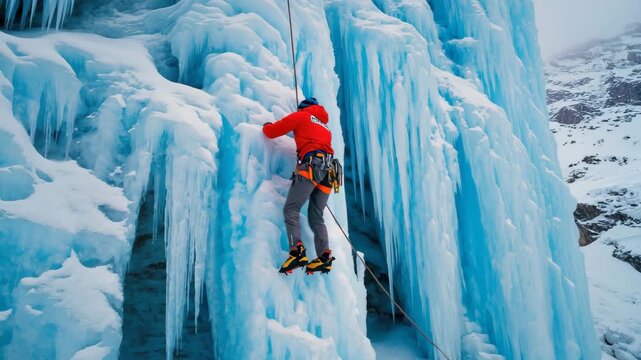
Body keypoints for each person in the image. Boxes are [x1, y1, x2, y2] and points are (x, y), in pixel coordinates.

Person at [262, 97, 337, 275]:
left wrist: (266, 125)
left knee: (291, 209)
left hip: (312, 166)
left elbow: (273, 132)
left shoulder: (302, 116)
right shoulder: (325, 127)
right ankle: (323, 257)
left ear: (303, 108)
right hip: (330, 171)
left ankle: (296, 251)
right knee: (316, 216)